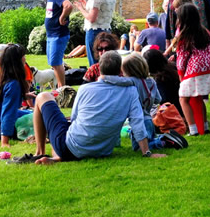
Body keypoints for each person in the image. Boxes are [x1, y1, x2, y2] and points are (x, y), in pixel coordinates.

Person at [28, 51, 168, 164]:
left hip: (70, 147)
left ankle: (40, 152)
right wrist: (147, 153)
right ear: (119, 70)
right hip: (102, 151)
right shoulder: (130, 91)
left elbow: (75, 118)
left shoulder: (85, 88)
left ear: (99, 68)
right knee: (63, 133)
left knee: (43, 96)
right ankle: (57, 156)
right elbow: (137, 122)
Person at [174, 3, 210, 135]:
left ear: (182, 19)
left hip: (193, 70)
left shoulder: (184, 36)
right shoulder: (205, 31)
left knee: (183, 98)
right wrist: (209, 58)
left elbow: (181, 60)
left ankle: (193, 130)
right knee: (200, 97)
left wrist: (181, 76)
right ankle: (205, 127)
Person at [122, 53, 187, 150]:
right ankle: (162, 138)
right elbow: (158, 99)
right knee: (149, 139)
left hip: (139, 120)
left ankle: (165, 141)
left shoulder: (131, 83)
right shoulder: (151, 81)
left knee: (138, 147)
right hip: (149, 119)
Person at [0, 44, 32, 146]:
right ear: (18, 61)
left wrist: (24, 95)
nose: (25, 58)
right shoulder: (13, 83)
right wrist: (5, 141)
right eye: (23, 56)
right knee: (38, 117)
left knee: (28, 113)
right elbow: (8, 112)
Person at [73, 0, 116, 67]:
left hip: (94, 31)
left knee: (95, 63)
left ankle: (95, 81)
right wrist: (86, 5)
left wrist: (81, 8)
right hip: (107, 30)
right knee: (106, 63)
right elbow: (101, 11)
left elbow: (92, 18)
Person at [36, 0, 73, 88]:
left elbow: (68, 6)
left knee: (56, 63)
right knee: (54, 63)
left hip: (58, 35)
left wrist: (62, 17)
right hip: (51, 35)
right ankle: (60, 87)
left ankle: (62, 89)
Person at [143, 48, 183, 116]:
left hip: (174, 111)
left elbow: (163, 100)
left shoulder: (160, 79)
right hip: (183, 105)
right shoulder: (173, 67)